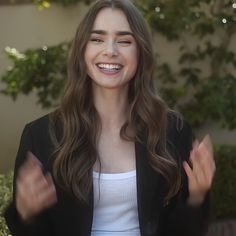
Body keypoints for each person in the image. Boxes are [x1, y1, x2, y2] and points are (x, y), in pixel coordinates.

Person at [4, 0, 216, 235]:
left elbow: (184, 231)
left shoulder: (172, 131)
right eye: (97, 39)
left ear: (141, 53)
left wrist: (197, 197)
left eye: (124, 41)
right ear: (82, 50)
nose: (110, 50)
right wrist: (25, 212)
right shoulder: (41, 136)